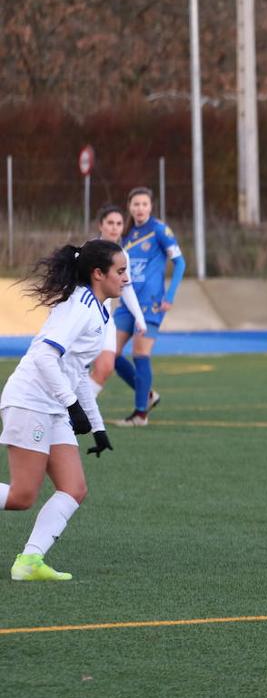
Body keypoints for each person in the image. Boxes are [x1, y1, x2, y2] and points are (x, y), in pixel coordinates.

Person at [1, 240, 122, 581]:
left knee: (74, 488)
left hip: (52, 405)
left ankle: (29, 562)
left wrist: (97, 426)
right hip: (30, 400)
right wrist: (71, 405)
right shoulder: (80, 307)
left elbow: (77, 372)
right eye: (120, 271)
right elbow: (44, 356)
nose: (126, 278)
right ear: (98, 274)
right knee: (22, 495)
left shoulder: (99, 311)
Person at [112, 187, 184, 426]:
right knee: (109, 353)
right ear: (129, 206)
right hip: (126, 302)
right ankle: (149, 394)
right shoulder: (127, 233)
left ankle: (140, 414)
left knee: (140, 353)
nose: (140, 208)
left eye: (144, 204)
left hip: (150, 302)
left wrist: (169, 295)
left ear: (151, 206)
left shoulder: (160, 230)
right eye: (136, 204)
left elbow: (180, 263)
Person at [88, 205, 148, 396]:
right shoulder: (88, 251)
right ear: (101, 225)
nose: (115, 227)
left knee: (106, 366)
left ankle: (78, 412)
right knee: (73, 370)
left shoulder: (123, 255)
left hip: (105, 320)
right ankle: (68, 410)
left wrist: (139, 317)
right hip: (84, 318)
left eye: (119, 223)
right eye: (110, 223)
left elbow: (127, 287)